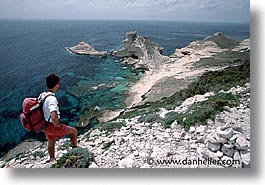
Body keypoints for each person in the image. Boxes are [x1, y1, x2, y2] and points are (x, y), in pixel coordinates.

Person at [38, 74, 77, 162]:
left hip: (45, 125)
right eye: (58, 83)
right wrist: (57, 125)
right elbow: (53, 113)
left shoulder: (42, 95)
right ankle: (75, 150)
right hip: (52, 125)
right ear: (56, 85)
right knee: (74, 131)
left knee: (51, 141)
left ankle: (52, 159)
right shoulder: (52, 99)